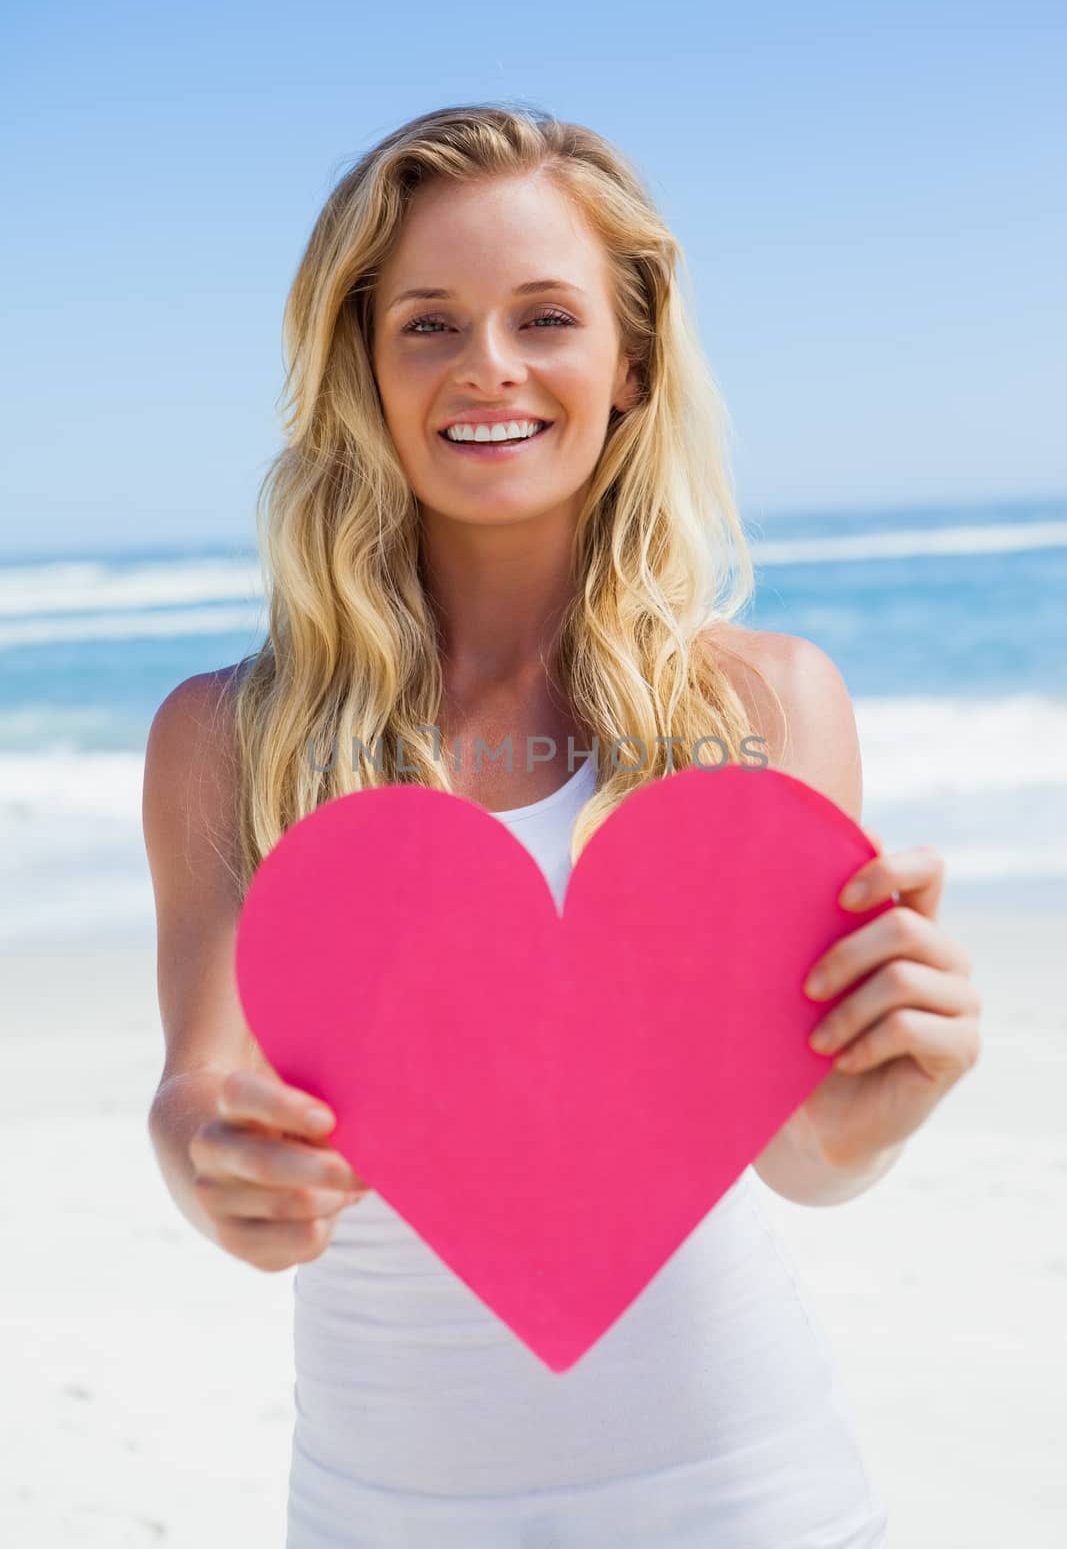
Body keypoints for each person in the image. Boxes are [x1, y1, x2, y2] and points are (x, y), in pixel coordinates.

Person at [142, 103, 982, 1547]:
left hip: (749, 1501)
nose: (490, 368)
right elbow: (199, 1090)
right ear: (359, 362)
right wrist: (218, 1169)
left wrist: (876, 1114)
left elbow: (803, 1158)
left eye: (547, 316)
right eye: (428, 323)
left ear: (631, 363)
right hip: (379, 1513)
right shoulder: (231, 736)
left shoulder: (767, 708)